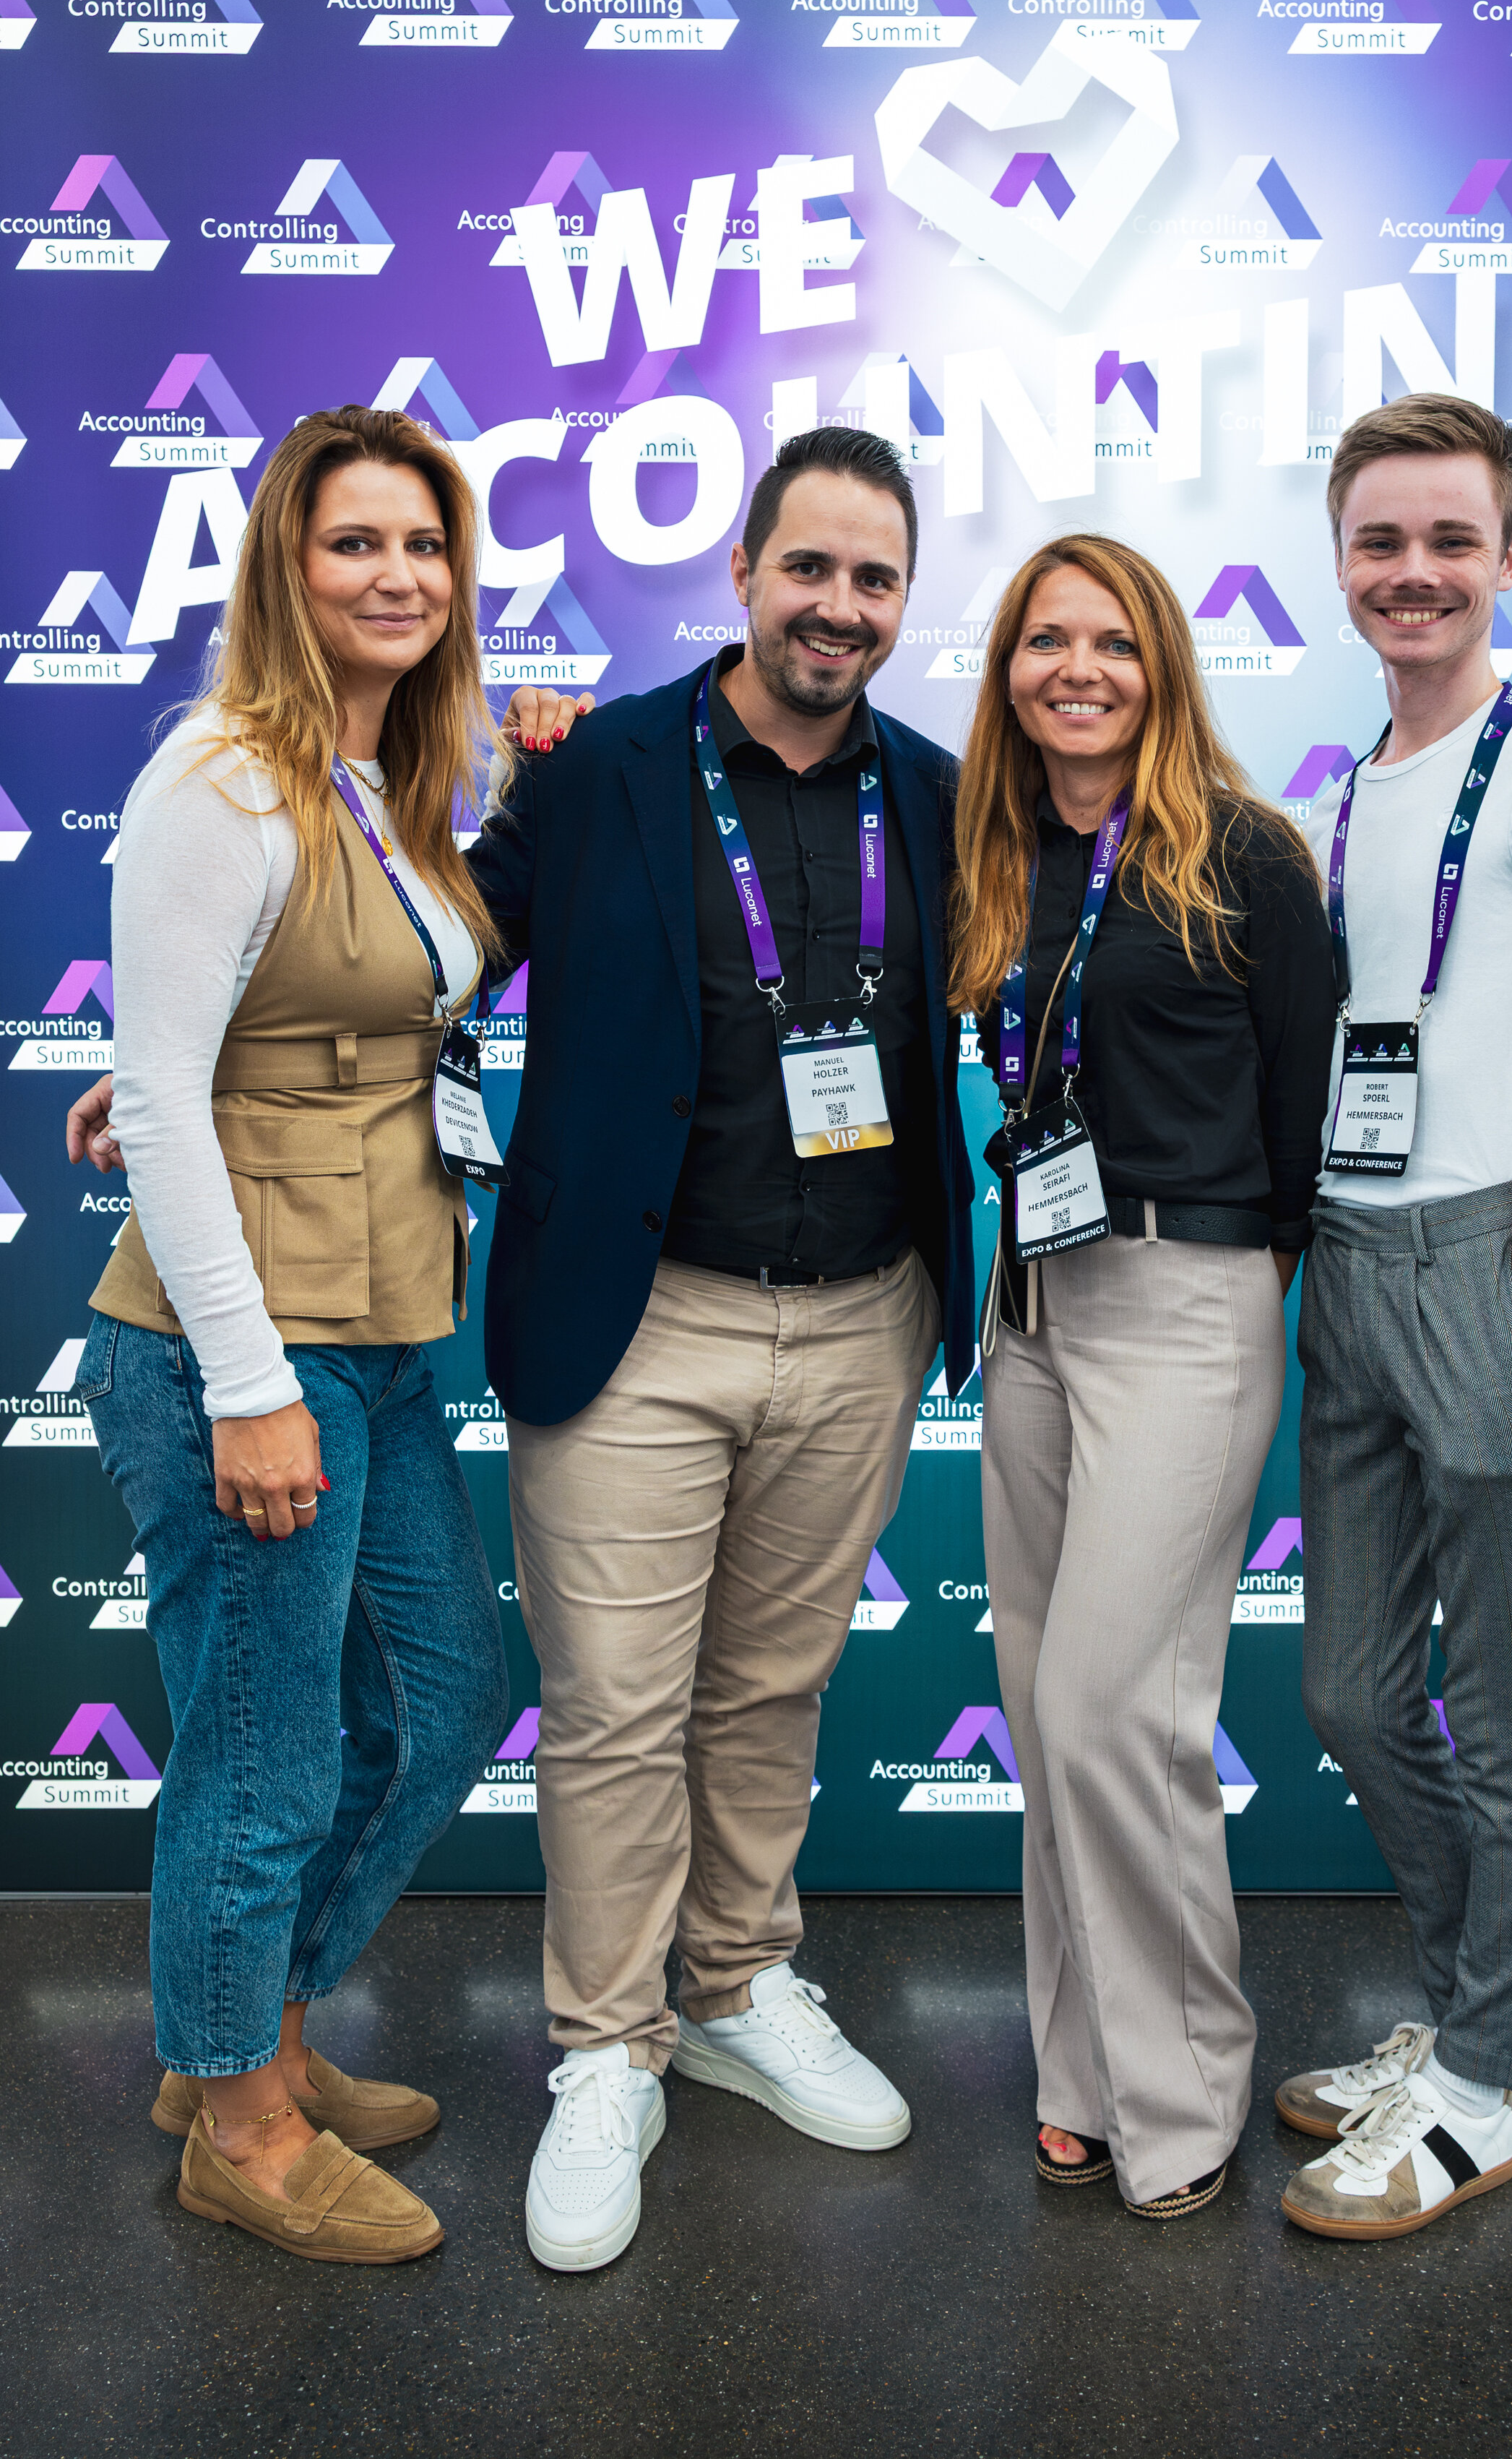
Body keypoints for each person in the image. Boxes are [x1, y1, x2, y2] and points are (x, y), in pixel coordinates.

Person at [459, 427, 975, 2273]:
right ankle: (609, 2048)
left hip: (858, 1317)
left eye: (873, 579)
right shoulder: (597, 765)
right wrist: (207, 1060)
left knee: (766, 1693)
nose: (838, 606)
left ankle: (741, 1986)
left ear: (901, 603)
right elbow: (430, 951)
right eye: (807, 567)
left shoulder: (940, 793)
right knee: (614, 1709)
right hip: (638, 1316)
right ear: (742, 570)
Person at [63, 406, 540, 2264]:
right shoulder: (224, 775)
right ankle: (238, 2126)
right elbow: (165, 1097)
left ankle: (238, 2029)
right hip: (242, 1354)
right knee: (266, 1752)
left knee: (443, 1702)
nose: (396, 575)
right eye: (355, 542)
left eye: (423, 545)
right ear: (286, 564)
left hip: (383, 1332)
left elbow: (311, 1018)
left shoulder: (377, 781)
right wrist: (251, 1389)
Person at [1276, 394, 1512, 2240]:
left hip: (1494, 1265)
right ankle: (1475, 2022)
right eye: (1378, 540)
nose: (1410, 571)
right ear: (1338, 561)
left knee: (1504, 1721)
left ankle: (1488, 2085)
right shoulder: (1336, 799)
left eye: (1447, 539)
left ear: (1508, 555)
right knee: (1348, 1694)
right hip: (1348, 1265)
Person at [951, 534, 1335, 2218]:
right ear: (1008, 671)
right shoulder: (991, 848)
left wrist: (1229, 1300)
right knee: (1048, 1708)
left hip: (1188, 1296)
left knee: (1121, 1710)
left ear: (1162, 662)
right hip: (1031, 1303)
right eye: (1046, 641)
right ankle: (1082, 2073)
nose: (1078, 669)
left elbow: (1303, 1112)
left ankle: (1179, 2100)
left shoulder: (1244, 854)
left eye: (1110, 641)